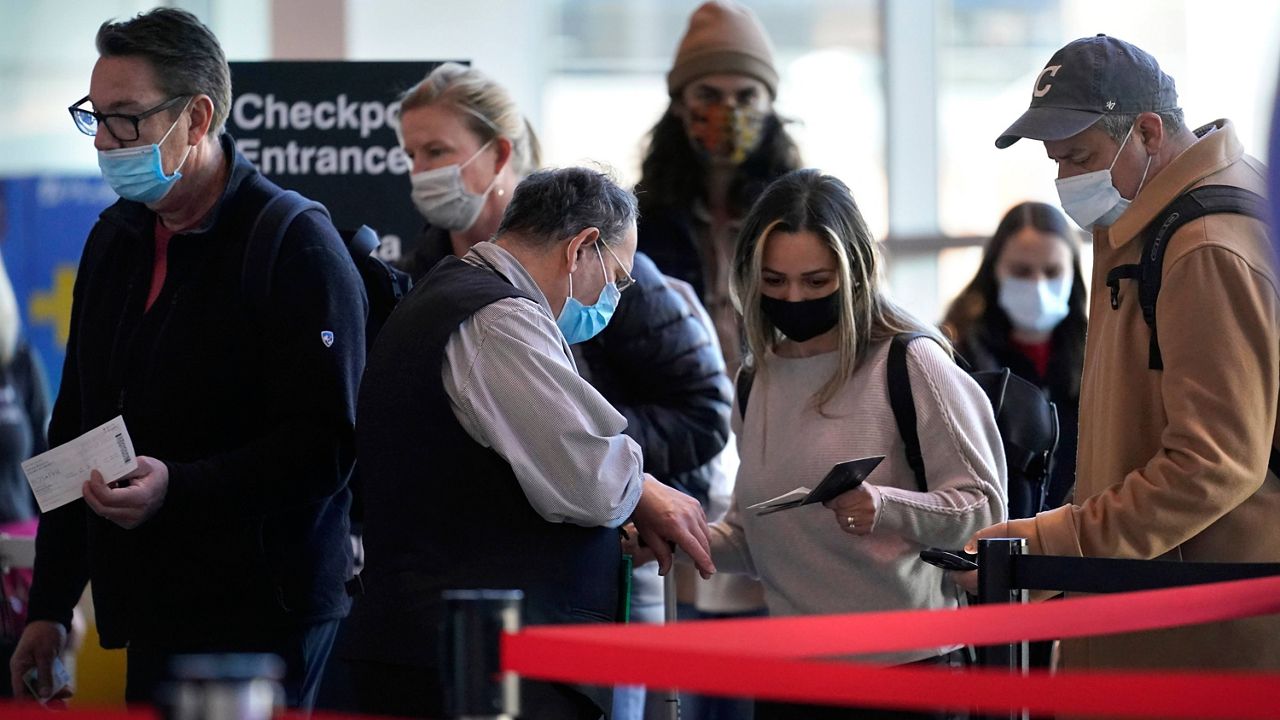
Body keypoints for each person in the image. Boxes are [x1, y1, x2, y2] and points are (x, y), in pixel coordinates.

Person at [11, 8, 366, 707]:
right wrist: (49, 606)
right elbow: (77, 426)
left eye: (127, 119)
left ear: (197, 118)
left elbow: (326, 446)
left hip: (269, 619)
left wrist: (180, 485)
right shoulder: (115, 239)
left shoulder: (294, 245)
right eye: (96, 116)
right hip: (152, 610)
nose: (106, 141)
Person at [344, 167, 716, 720]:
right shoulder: (498, 318)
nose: (612, 295)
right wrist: (645, 490)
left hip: (450, 651)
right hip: (480, 667)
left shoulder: (455, 294)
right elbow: (591, 479)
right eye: (617, 276)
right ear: (582, 248)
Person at [962, 34, 1279, 672]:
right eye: (1056, 160)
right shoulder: (1150, 218)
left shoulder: (1204, 246)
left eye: (1079, 156)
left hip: (1197, 638)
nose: (1065, 180)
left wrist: (1050, 544)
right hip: (1153, 610)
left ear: (1149, 132)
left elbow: (1213, 463)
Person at [654, 169, 1006, 720]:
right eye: (774, 282)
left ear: (856, 275)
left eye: (816, 282)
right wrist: (680, 535)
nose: (793, 298)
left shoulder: (911, 363)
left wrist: (885, 507)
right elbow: (758, 537)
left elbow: (984, 508)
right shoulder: (756, 381)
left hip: (908, 671)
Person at [941, 201, 1086, 517]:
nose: (1038, 285)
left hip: (1079, 536)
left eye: (1052, 272)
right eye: (1021, 271)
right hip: (987, 536)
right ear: (994, 270)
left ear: (1073, 274)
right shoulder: (956, 355)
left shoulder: (1097, 354)